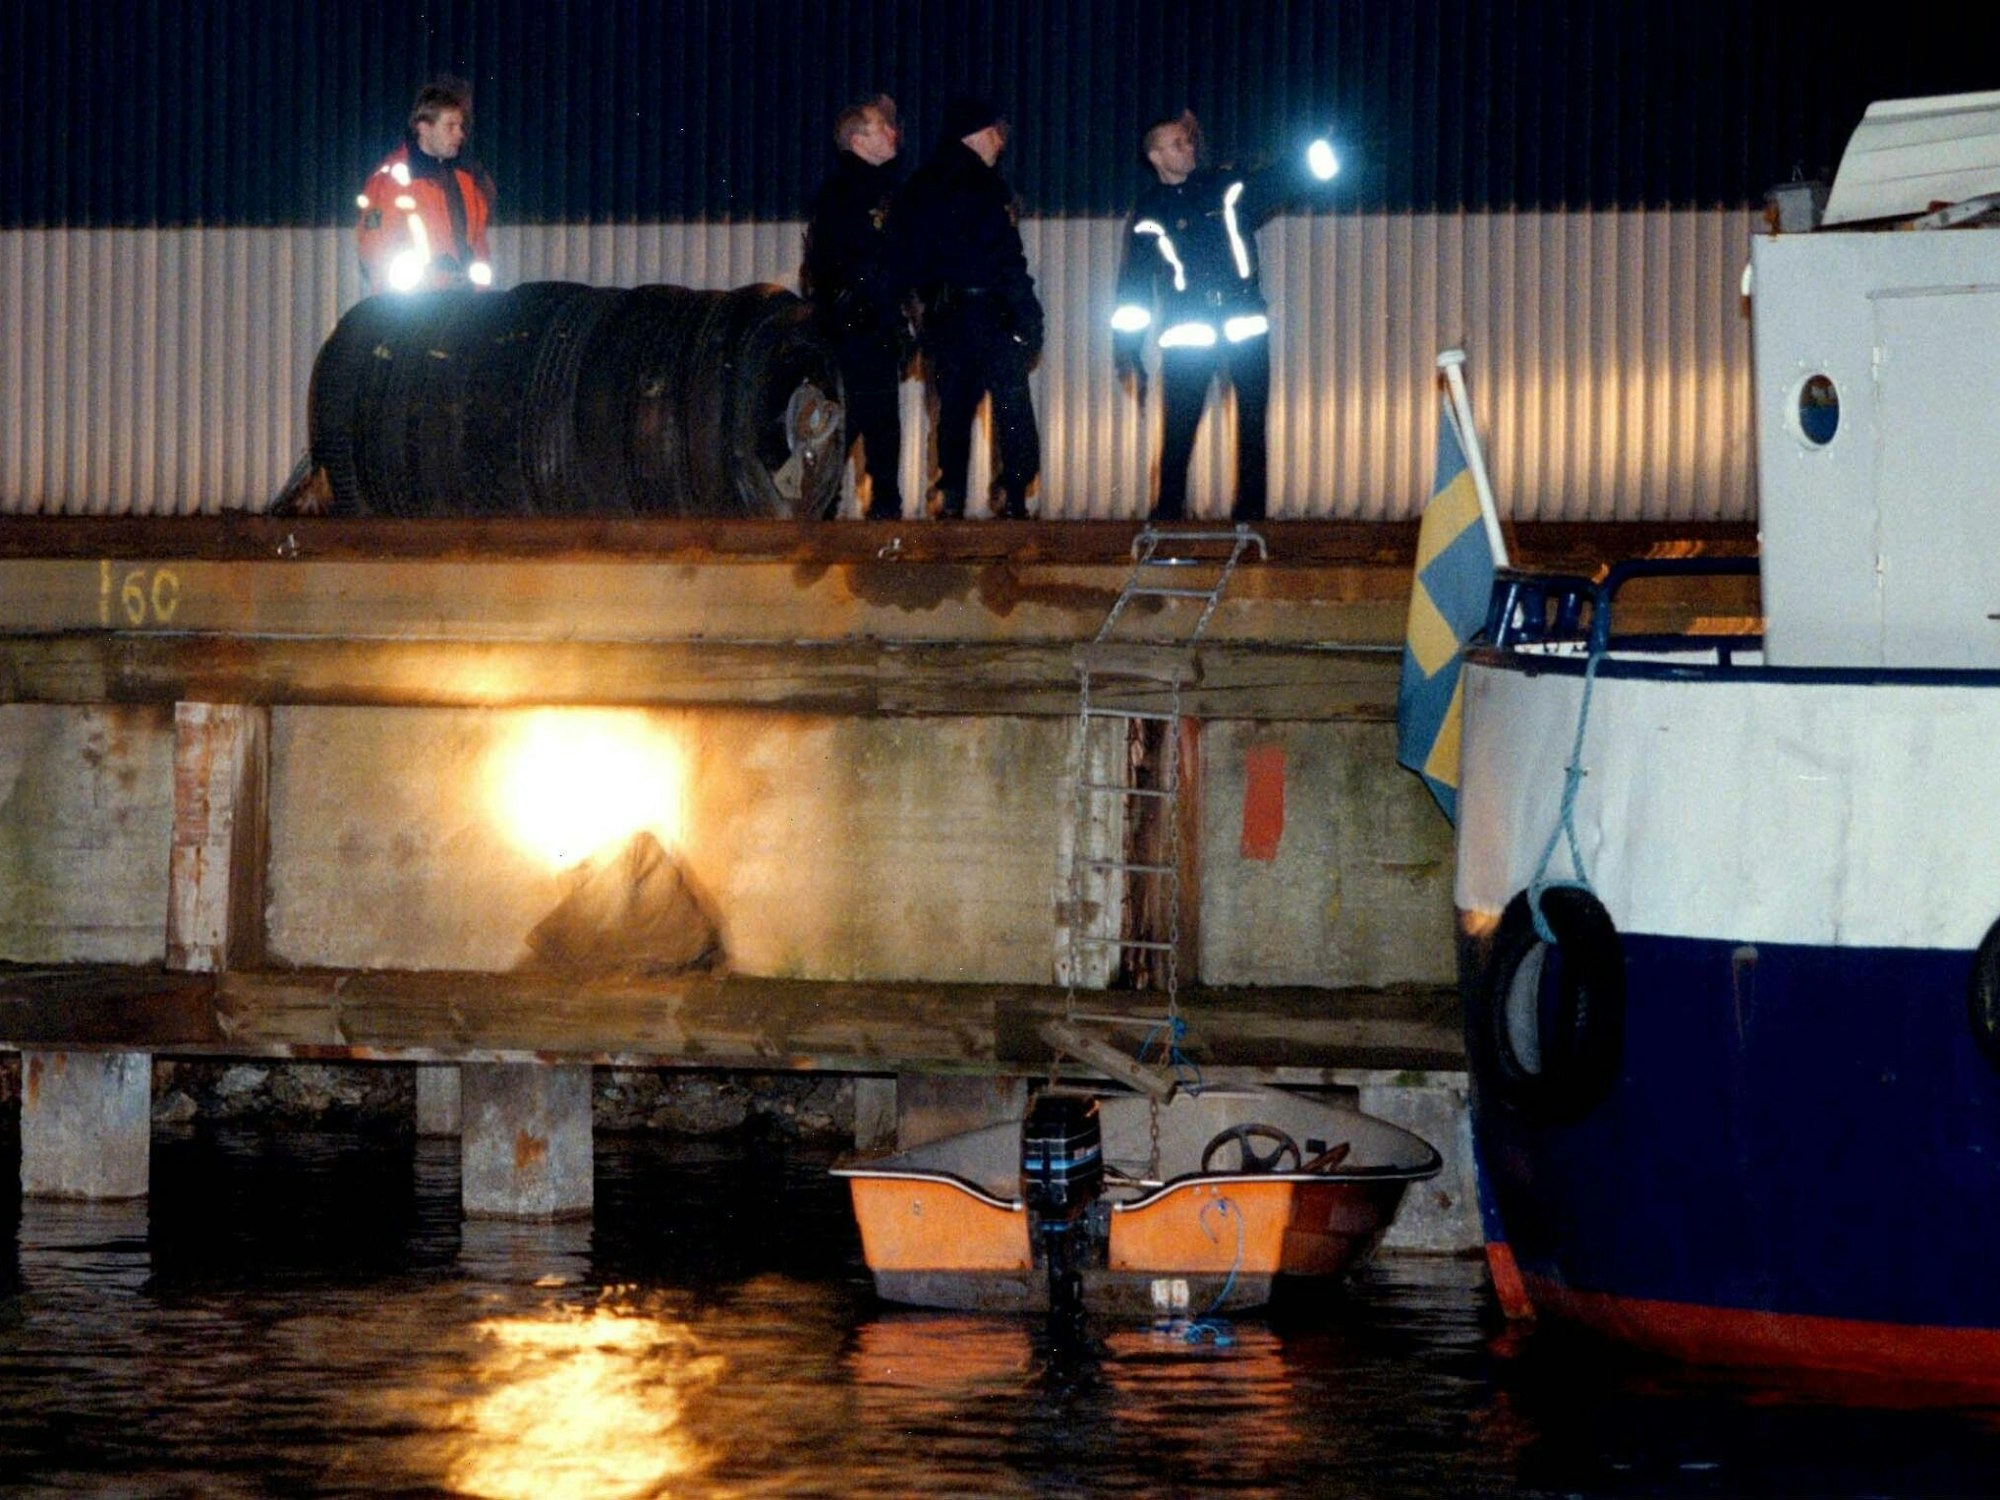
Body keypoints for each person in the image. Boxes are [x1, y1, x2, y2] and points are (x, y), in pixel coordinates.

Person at [1111, 110, 1335, 521]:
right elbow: (1135, 285)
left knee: (1251, 427)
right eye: (1178, 144)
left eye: (1189, 140)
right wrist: (1128, 349)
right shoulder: (1150, 211)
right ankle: (1167, 519)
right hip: (1186, 334)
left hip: (1244, 323)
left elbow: (1273, 181)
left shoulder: (1223, 187)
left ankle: (1250, 521)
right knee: (1178, 429)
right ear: (1156, 157)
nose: (1189, 147)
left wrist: (1311, 158)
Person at [893, 96, 1043, 519]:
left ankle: (950, 493)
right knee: (1011, 402)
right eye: (996, 133)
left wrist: (920, 310)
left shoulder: (921, 184)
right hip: (992, 312)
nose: (1000, 144)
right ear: (977, 133)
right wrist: (1028, 313)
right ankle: (1012, 493)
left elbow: (906, 257)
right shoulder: (987, 187)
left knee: (954, 409)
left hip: (946, 314)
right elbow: (1006, 259)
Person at [802, 94, 909, 521]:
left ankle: (879, 506)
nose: (892, 132)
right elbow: (842, 262)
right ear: (859, 141)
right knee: (855, 417)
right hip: (853, 325)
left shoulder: (884, 190)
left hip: (876, 323)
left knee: (876, 417)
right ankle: (829, 506)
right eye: (881, 126)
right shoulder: (843, 194)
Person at [356, 78, 496, 295]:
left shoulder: (465, 181)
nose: (460, 134)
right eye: (450, 126)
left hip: (461, 304)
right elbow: (374, 249)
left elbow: (478, 244)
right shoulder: (389, 182)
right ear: (424, 128)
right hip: (411, 311)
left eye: (461, 126)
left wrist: (479, 290)